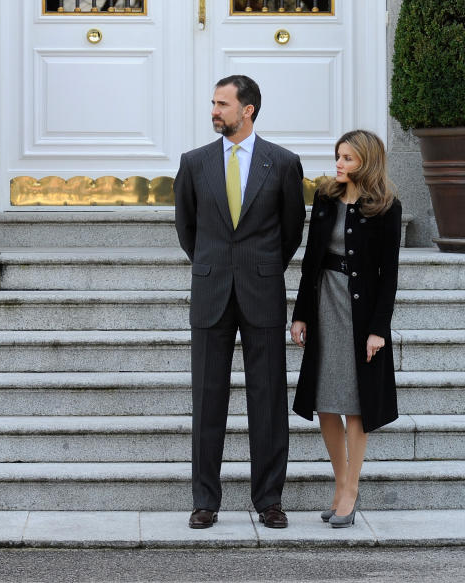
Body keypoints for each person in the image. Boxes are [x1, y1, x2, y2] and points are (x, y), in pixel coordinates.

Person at [175, 75, 306, 529]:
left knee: (268, 401)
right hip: (211, 292)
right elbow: (186, 229)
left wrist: (261, 266)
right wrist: (214, 266)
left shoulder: (284, 163)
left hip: (262, 290)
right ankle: (205, 502)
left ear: (247, 109)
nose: (215, 111)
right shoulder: (193, 164)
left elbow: (292, 232)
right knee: (207, 401)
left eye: (223, 104)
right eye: (213, 102)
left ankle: (269, 499)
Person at [290, 130, 401, 528]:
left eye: (348, 159)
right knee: (324, 401)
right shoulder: (325, 196)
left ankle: (351, 490)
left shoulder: (386, 207)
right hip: (324, 306)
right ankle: (340, 484)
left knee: (355, 406)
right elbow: (310, 260)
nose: (339, 164)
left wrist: (378, 330)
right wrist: (300, 314)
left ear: (366, 162)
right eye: (338, 156)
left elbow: (388, 275)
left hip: (360, 313)